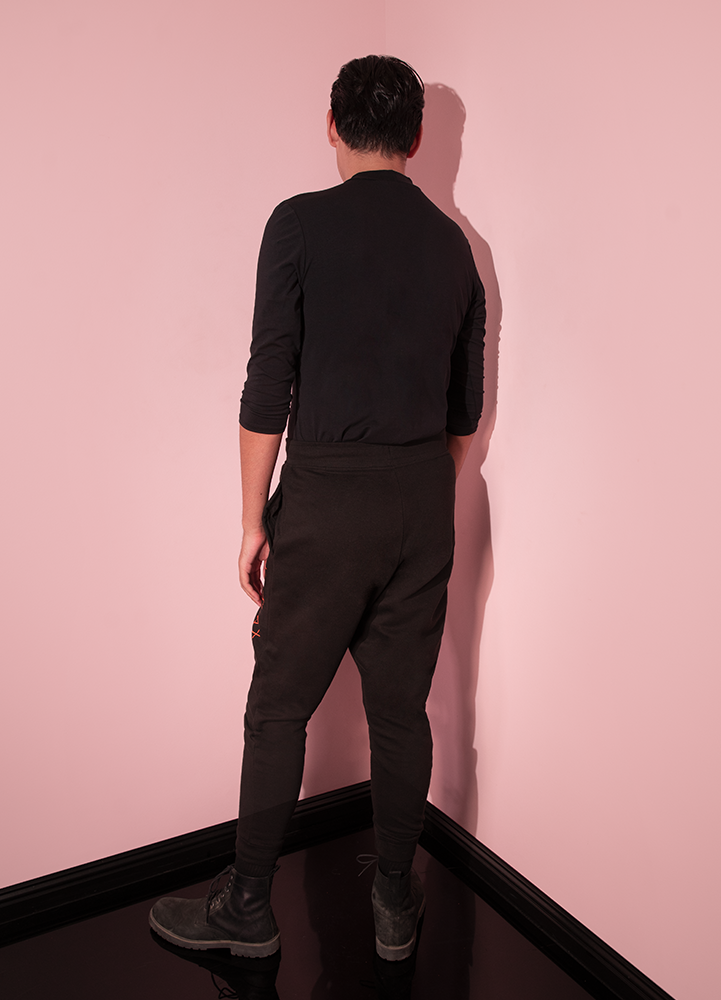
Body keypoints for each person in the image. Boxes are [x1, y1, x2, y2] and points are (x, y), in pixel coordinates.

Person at [150, 54, 485, 962]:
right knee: (402, 714)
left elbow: (268, 388)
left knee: (277, 709)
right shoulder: (458, 249)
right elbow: (464, 415)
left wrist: (253, 520)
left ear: (332, 125)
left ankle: (247, 911)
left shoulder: (297, 225)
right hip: (424, 500)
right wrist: (414, 490)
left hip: (328, 499)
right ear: (417, 138)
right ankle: (393, 903)